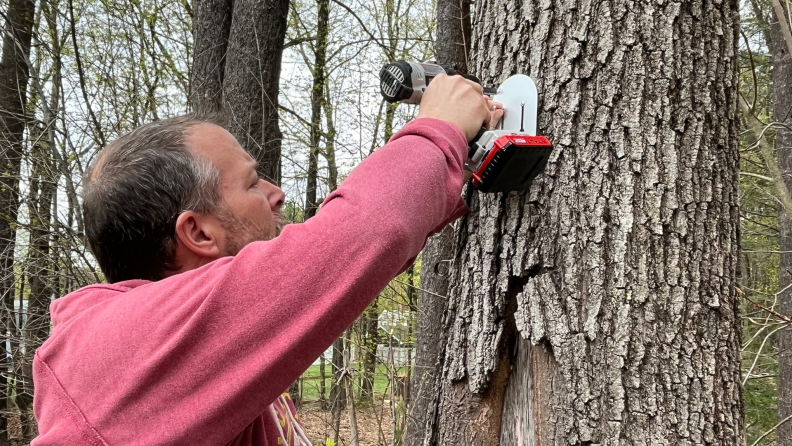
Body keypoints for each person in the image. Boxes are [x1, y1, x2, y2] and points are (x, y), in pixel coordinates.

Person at [31, 74, 502, 445]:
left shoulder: (185, 356)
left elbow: (343, 263)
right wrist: (438, 129)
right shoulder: (124, 350)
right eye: (252, 183)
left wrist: (454, 164)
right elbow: (360, 234)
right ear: (198, 232)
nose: (276, 195)